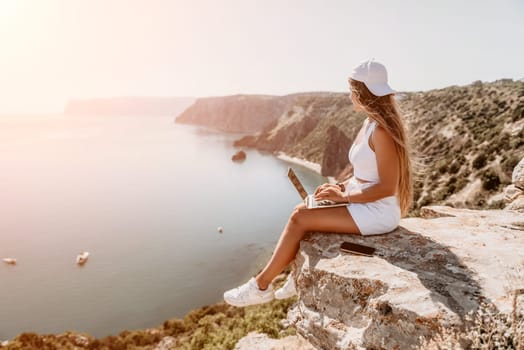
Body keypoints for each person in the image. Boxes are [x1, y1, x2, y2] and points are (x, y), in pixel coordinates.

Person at [223, 58, 413, 307]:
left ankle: (260, 286)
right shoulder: (370, 124)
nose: (349, 96)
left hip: (378, 212)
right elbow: (366, 174)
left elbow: (387, 187)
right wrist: (341, 186)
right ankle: (295, 274)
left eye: (351, 90)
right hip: (365, 202)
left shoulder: (381, 132)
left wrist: (343, 198)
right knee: (301, 210)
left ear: (361, 92)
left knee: (300, 218)